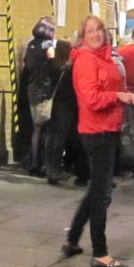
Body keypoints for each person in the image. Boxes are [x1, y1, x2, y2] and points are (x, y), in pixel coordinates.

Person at [63, 15, 134, 267]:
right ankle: (100, 252)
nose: (96, 34)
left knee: (97, 188)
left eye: (99, 29)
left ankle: (73, 239)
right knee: (102, 193)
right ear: (82, 36)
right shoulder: (86, 60)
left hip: (107, 129)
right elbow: (92, 99)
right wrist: (120, 96)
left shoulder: (103, 56)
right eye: (90, 31)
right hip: (97, 132)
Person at [43, 41, 87, 185]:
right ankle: (55, 170)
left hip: (51, 104)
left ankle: (48, 167)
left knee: (50, 136)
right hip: (66, 106)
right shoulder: (69, 68)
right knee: (60, 138)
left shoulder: (50, 64)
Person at [22, 16, 58, 176]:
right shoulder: (48, 47)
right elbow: (54, 67)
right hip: (45, 90)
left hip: (32, 88)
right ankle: (44, 164)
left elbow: (26, 65)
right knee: (46, 128)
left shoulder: (30, 45)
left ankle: (34, 162)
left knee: (36, 128)